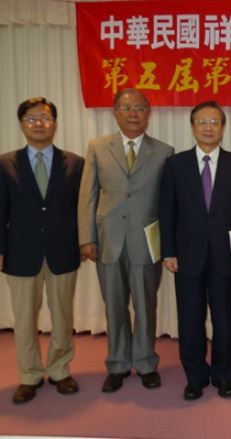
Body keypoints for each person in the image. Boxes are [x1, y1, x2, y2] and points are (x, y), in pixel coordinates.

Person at [0, 97, 84, 404]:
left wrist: (85, 242)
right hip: (20, 253)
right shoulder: (4, 164)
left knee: (63, 316)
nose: (38, 123)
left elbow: (82, 210)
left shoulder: (75, 163)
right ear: (21, 125)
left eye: (45, 117)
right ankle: (29, 375)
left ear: (54, 123)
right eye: (31, 118)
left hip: (63, 251)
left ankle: (59, 369)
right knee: (25, 319)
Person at [78, 88, 174, 393]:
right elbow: (88, 195)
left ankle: (145, 362)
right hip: (108, 240)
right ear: (115, 112)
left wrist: (169, 244)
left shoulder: (164, 151)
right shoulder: (98, 147)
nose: (133, 113)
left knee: (146, 305)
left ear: (148, 113)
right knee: (114, 305)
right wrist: (86, 238)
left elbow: (168, 203)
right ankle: (117, 363)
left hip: (147, 240)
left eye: (140, 108)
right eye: (126, 107)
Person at [159, 101, 231, 401]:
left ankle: (223, 375)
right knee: (190, 320)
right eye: (202, 122)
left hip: (226, 256)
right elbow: (166, 211)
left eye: (214, 122)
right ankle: (195, 377)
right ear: (192, 126)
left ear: (222, 128)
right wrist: (168, 251)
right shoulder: (176, 165)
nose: (208, 128)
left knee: (224, 320)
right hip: (187, 256)